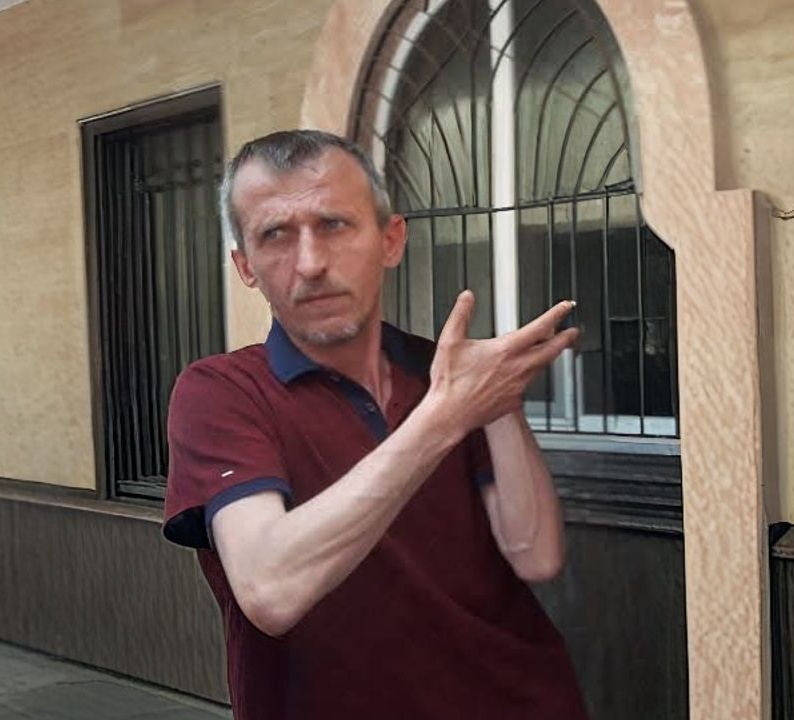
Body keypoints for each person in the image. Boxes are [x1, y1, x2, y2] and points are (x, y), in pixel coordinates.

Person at [162, 129, 588, 720]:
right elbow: (270, 590)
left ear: (391, 240)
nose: (311, 264)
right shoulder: (223, 392)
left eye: (334, 224)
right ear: (245, 265)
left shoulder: (447, 376)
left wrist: (500, 402)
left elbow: (535, 555)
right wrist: (446, 417)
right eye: (275, 235)